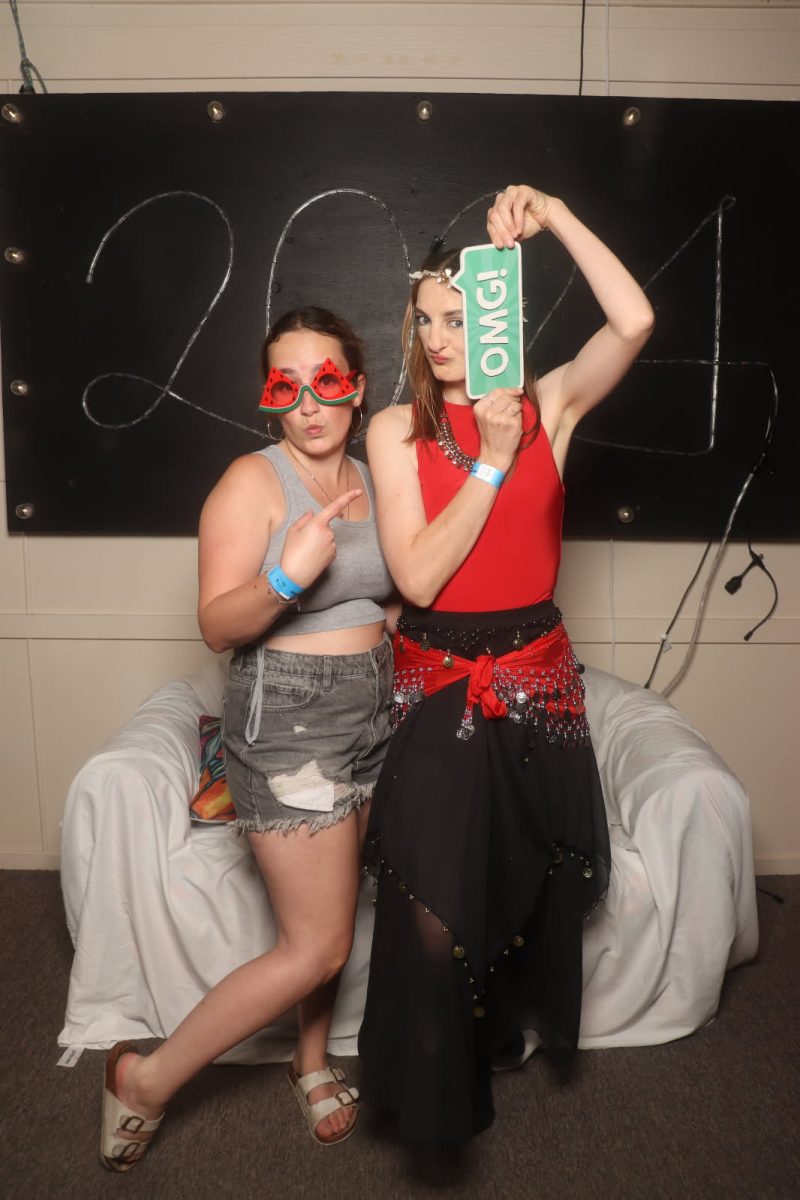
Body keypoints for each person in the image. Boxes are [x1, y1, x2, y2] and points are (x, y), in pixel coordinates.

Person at [358, 184, 655, 1143]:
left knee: (524, 880)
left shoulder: (549, 405)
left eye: (460, 315)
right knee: (434, 908)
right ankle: (440, 1099)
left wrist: (559, 214)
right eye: (425, 319)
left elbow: (636, 318)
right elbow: (419, 573)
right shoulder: (396, 432)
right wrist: (486, 463)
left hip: (536, 670)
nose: (442, 337)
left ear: (495, 313)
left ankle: (496, 1035)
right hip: (442, 675)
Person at [100, 306, 395, 1170]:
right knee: (320, 944)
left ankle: (309, 1061)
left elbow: (390, 590)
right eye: (286, 385)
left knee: (332, 910)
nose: (308, 404)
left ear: (358, 387)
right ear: (270, 396)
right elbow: (218, 625)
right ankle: (143, 1080)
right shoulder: (251, 482)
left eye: (327, 382)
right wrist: (283, 575)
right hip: (290, 719)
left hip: (374, 709)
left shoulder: (380, 477)